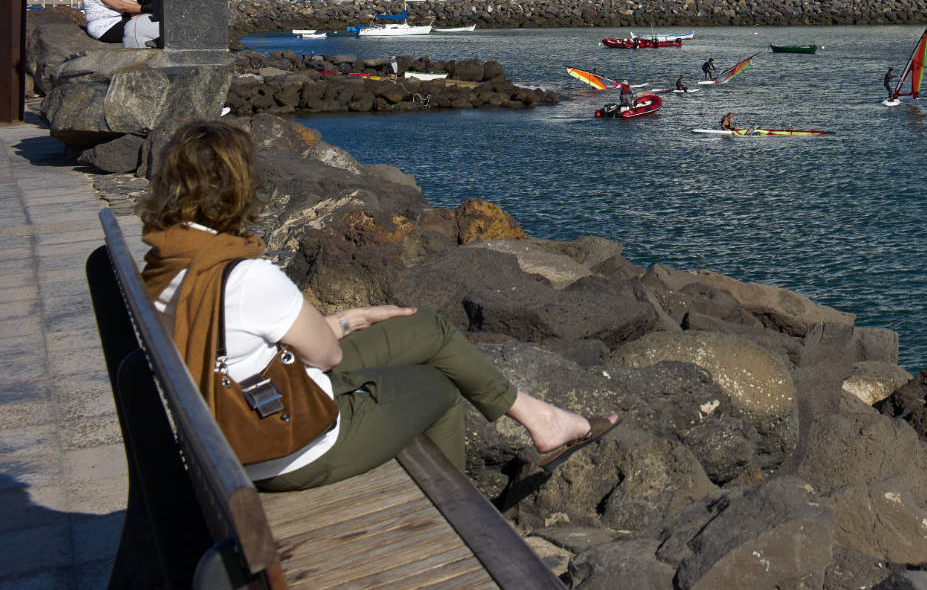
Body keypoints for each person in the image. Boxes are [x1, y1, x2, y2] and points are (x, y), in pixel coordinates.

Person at [140, 120, 613, 491]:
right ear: (239, 189)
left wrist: (355, 318)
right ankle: (453, 527)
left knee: (425, 327)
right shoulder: (243, 276)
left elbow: (247, 337)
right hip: (285, 444)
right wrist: (344, 323)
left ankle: (539, 418)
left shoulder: (166, 260)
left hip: (237, 409)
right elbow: (326, 356)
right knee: (441, 386)